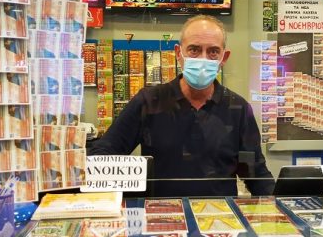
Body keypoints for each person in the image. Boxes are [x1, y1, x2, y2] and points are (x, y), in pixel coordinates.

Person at [89, 15, 275, 197]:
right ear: (179, 53)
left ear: (223, 58)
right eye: (194, 50)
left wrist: (281, 205)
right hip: (162, 215)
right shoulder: (149, 101)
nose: (203, 59)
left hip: (220, 215)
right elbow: (103, 153)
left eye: (213, 51)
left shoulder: (238, 108)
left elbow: (256, 174)